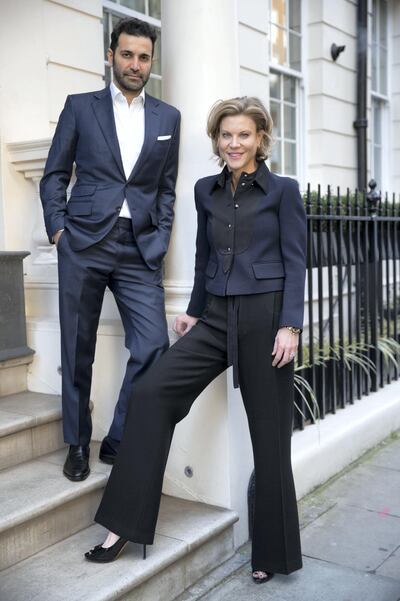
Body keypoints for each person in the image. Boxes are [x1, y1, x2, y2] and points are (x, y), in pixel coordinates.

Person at [85, 96, 306, 584]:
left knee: (269, 440)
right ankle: (123, 526)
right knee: (151, 392)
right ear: (217, 140)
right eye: (226, 135)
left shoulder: (284, 191)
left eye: (243, 134)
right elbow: (205, 256)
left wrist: (290, 326)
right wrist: (192, 312)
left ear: (260, 139)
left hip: (267, 321)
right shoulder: (205, 191)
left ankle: (271, 552)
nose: (233, 143)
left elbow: (295, 261)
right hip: (217, 317)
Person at [40, 17, 181, 482]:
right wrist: (60, 231)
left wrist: (158, 239)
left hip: (139, 249)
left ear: (150, 61)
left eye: (143, 57)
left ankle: (119, 435)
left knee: (153, 346)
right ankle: (78, 442)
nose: (135, 64)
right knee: (78, 347)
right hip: (83, 242)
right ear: (111, 55)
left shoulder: (167, 118)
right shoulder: (81, 107)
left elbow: (165, 189)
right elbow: (55, 175)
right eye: (126, 54)